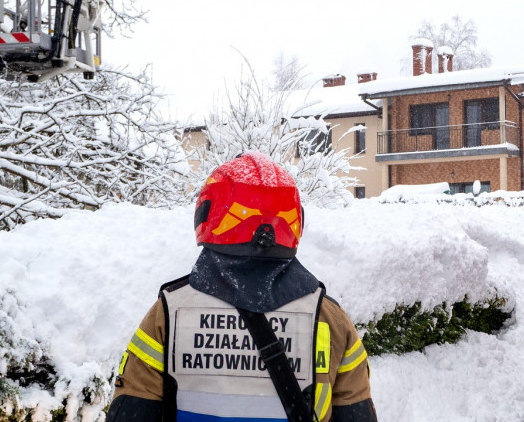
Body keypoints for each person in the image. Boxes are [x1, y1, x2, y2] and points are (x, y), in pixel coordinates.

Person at [106, 152, 377, 422]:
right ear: (295, 221)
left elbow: (131, 413)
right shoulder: (330, 319)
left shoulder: (167, 313)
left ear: (207, 213)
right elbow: (357, 414)